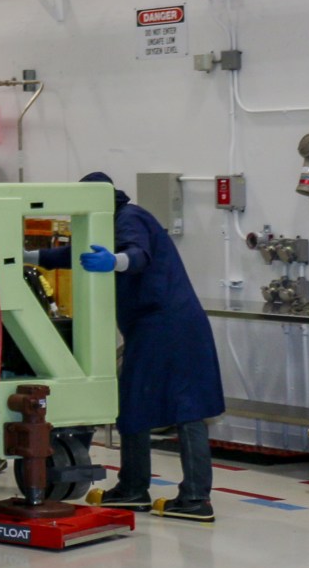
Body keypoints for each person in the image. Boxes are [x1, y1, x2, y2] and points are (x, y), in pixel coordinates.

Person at [34, 172, 223, 523]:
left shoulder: (130, 217)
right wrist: (24, 254)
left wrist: (115, 262)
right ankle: (136, 488)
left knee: (184, 410)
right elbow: (72, 253)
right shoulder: (105, 222)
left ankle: (190, 497)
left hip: (167, 326)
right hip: (156, 326)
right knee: (144, 406)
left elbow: (138, 255)